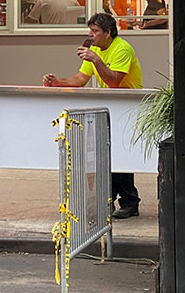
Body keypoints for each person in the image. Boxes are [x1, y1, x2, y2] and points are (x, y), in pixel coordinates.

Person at [41, 12, 143, 218]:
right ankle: (112, 200)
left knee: (120, 152)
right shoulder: (95, 50)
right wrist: (57, 82)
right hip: (111, 103)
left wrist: (96, 59)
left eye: (96, 31)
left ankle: (129, 201)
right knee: (106, 151)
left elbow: (114, 80)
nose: (92, 35)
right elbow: (80, 79)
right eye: (91, 31)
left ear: (108, 32)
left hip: (127, 103)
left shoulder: (122, 49)